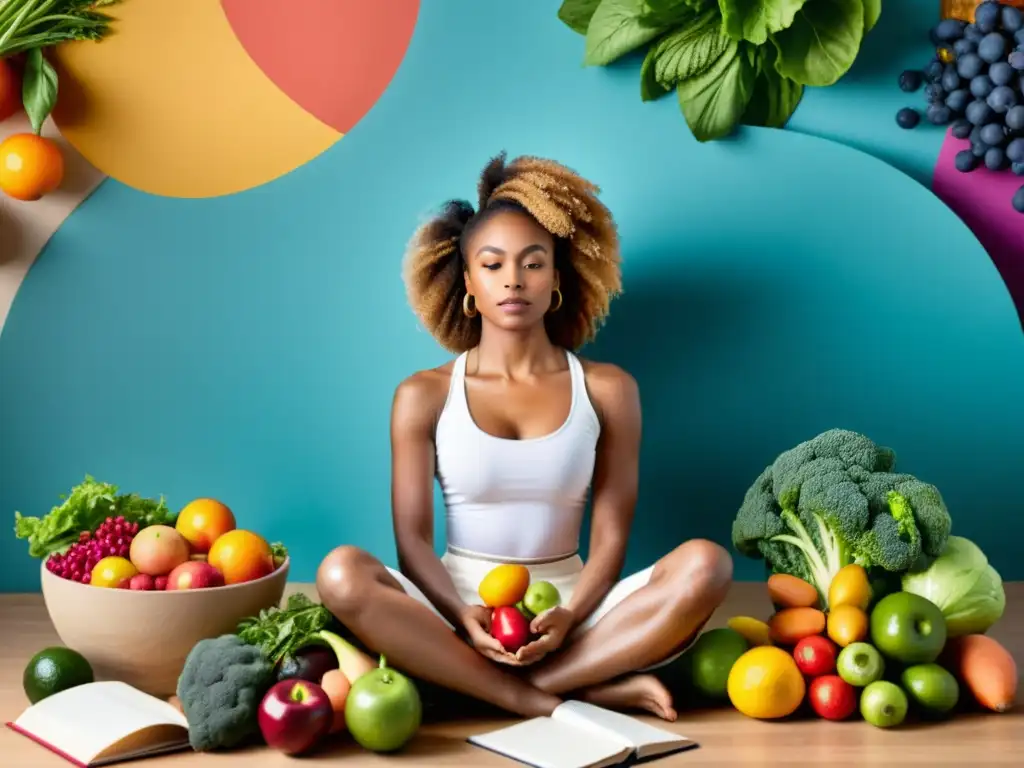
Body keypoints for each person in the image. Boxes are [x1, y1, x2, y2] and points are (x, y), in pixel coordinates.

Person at [316, 152, 733, 722]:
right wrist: (463, 616)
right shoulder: (423, 395)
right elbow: (412, 542)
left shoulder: (608, 390)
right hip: (454, 613)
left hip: (575, 609)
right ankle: (551, 696)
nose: (513, 279)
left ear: (558, 276)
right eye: (492, 265)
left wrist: (570, 615)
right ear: (466, 280)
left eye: (533, 263)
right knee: (339, 573)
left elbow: (611, 538)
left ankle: (519, 686)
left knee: (707, 565)